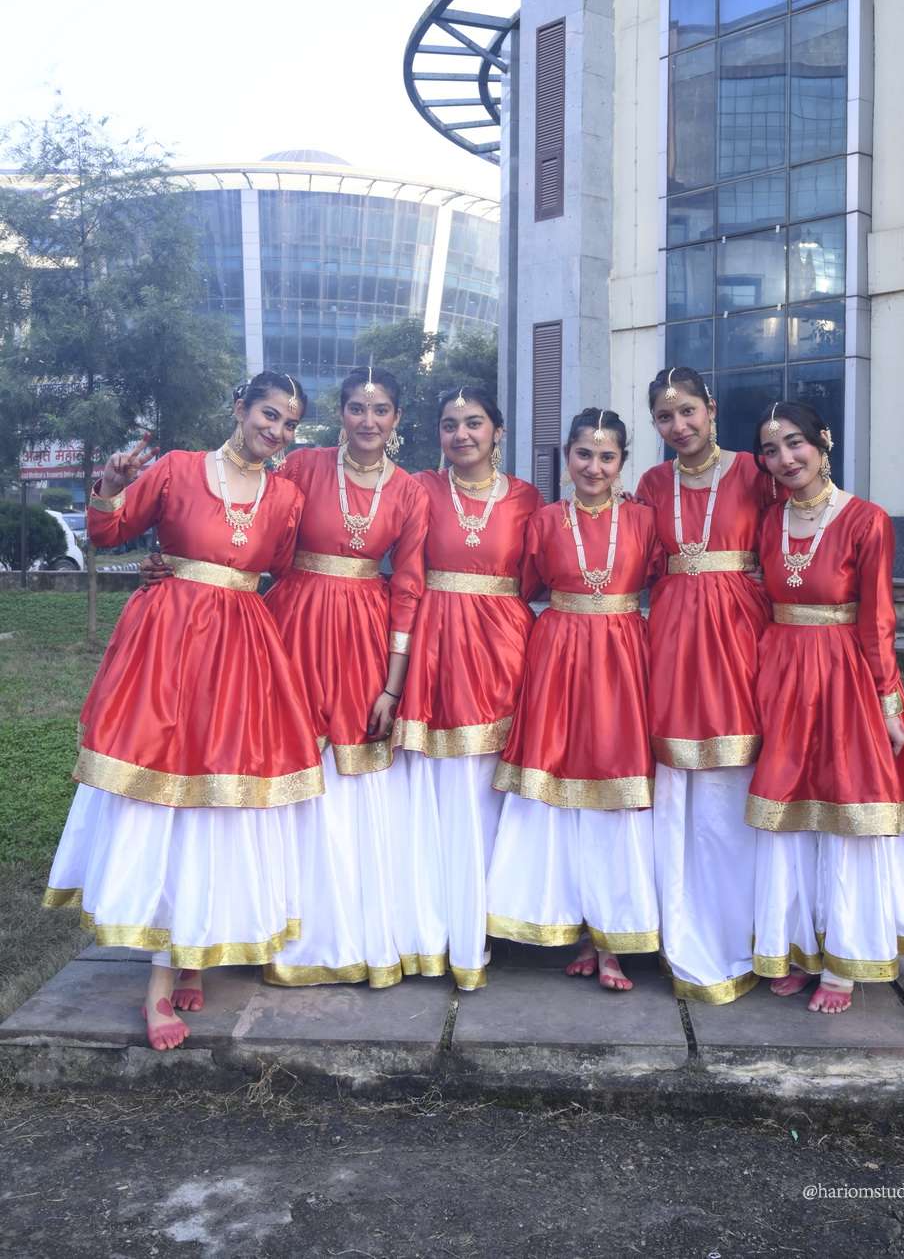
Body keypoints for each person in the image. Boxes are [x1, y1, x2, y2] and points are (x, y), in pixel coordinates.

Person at [43, 372, 322, 1051]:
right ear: (240, 407)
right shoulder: (176, 468)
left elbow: (277, 569)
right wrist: (110, 486)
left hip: (241, 652)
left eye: (289, 424)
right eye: (269, 414)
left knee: (217, 801)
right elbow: (109, 530)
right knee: (164, 794)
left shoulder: (286, 496)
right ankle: (160, 983)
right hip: (168, 643)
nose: (277, 431)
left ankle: (192, 948)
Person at [749, 401, 904, 1013]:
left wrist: (888, 703)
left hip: (844, 678)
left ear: (823, 441)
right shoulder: (768, 521)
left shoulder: (867, 520)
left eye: (795, 443)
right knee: (789, 815)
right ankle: (799, 948)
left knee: (848, 813)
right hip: (782, 676)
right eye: (771, 450)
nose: (785, 458)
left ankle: (845, 961)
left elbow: (878, 619)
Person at [262, 366, 430, 989]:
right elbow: (253, 525)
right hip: (292, 624)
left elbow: (408, 587)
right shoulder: (302, 467)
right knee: (291, 765)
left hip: (364, 634)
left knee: (351, 777)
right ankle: (275, 923)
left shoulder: (408, 491)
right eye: (357, 407)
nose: (368, 420)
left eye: (380, 410)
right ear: (340, 413)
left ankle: (350, 929)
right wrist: (178, 562)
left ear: (396, 418)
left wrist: (393, 684)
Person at [486, 409, 661, 991]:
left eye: (607, 456)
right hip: (558, 655)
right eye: (584, 454)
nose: (594, 467)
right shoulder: (543, 520)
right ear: (567, 457)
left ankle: (611, 939)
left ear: (622, 462)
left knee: (615, 792)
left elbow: (664, 579)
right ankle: (563, 922)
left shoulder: (644, 519)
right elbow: (521, 587)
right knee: (557, 791)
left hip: (623, 660)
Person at [392, 384, 543, 990]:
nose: (462, 434)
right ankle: (437, 928)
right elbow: (404, 570)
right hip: (435, 645)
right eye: (450, 424)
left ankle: (490, 921)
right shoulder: (420, 489)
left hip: (504, 645)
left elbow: (539, 572)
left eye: (474, 422)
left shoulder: (528, 498)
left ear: (497, 431)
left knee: (490, 789)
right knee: (439, 787)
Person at [637, 366, 774, 1005]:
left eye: (688, 411)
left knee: (734, 773)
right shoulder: (650, 483)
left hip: (739, 634)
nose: (679, 425)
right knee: (677, 780)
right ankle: (678, 917)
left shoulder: (753, 470)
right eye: (665, 417)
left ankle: (743, 925)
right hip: (671, 636)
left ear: (711, 409)